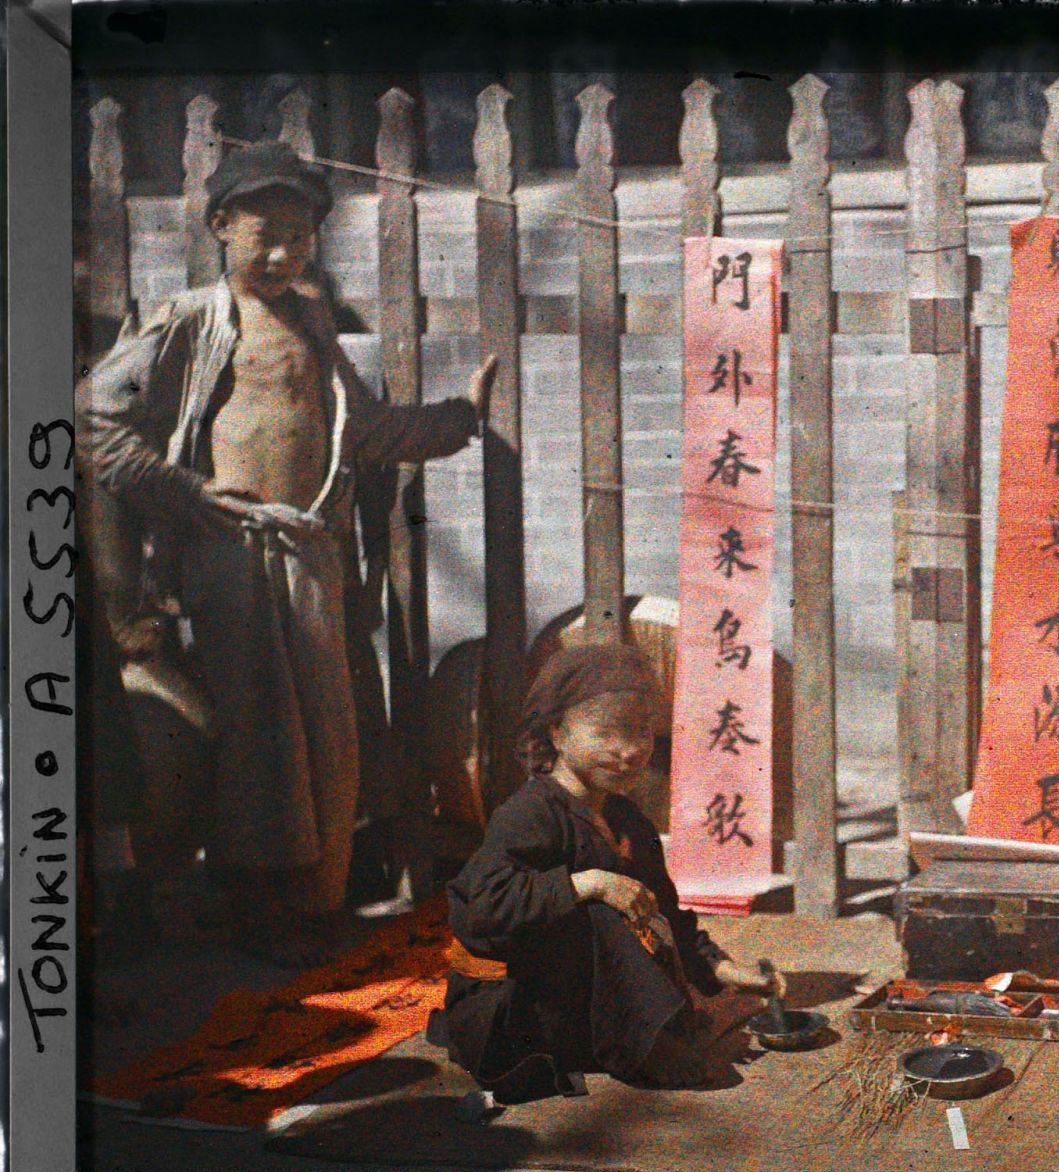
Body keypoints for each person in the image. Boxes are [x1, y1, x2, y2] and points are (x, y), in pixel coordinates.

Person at [82, 141, 499, 967]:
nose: (282, 254)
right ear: (219, 227)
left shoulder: (311, 323)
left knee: (325, 734)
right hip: (230, 558)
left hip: (311, 557)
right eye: (264, 234)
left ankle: (313, 901)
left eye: (300, 238)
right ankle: (255, 907)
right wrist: (184, 490)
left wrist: (458, 419)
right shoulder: (191, 320)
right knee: (254, 734)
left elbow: (364, 431)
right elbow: (95, 418)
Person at [443, 644, 776, 1110]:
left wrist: (721, 970)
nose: (627, 752)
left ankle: (643, 1032)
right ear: (557, 734)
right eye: (605, 733)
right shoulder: (530, 813)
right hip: (512, 1011)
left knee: (627, 904)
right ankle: (647, 1047)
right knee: (600, 908)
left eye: (639, 733)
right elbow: (480, 909)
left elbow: (664, 914)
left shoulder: (627, 821)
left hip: (578, 1000)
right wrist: (587, 884)